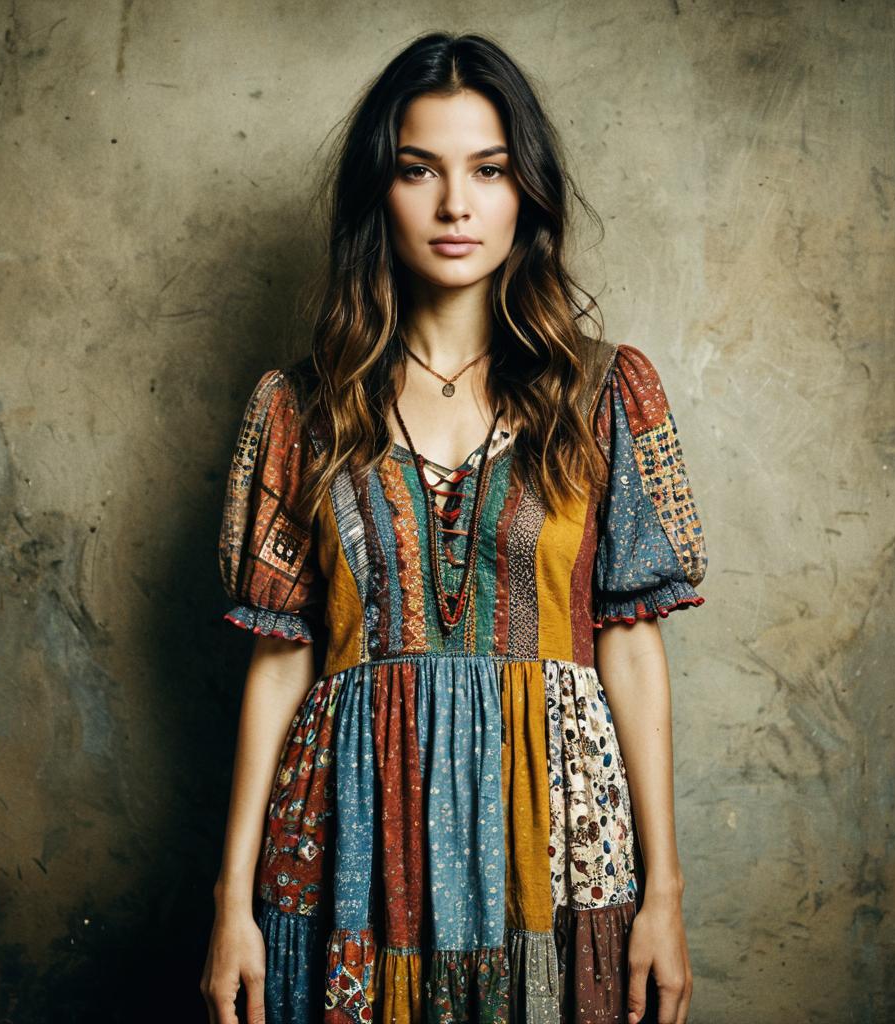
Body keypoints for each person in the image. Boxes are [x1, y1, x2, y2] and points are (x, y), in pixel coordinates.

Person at [200, 31, 707, 1024]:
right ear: (376, 194)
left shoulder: (604, 394)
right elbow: (278, 661)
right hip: (351, 836)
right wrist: (230, 902)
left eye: (488, 169)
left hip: (553, 838)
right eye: (418, 170)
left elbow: (632, 650)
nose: (454, 205)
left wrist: (665, 894)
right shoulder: (304, 410)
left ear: (527, 192)